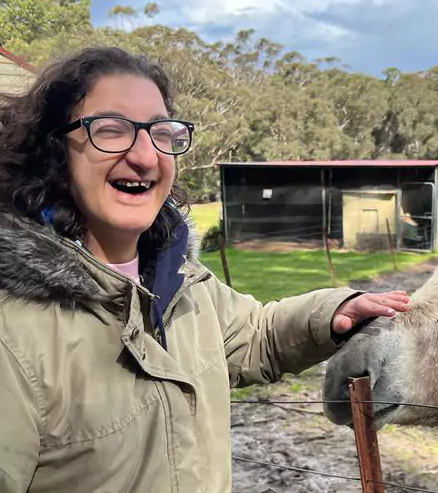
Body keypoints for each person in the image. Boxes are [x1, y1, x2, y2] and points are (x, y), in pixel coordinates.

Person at [0, 46, 411, 493]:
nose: (144, 156)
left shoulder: (180, 281)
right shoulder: (13, 333)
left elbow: (256, 334)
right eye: (111, 130)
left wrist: (332, 311)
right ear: (56, 156)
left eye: (161, 132)